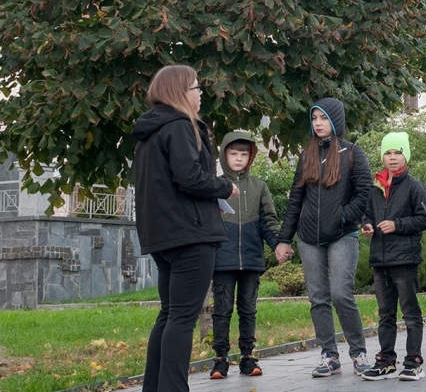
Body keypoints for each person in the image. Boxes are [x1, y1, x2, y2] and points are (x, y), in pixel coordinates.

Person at [132, 65, 238, 392]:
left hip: (163, 236)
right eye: (195, 88)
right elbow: (189, 177)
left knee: (169, 315)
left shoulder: (149, 131)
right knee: (181, 319)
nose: (200, 93)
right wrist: (223, 187)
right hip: (190, 236)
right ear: (180, 92)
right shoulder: (179, 126)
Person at [274, 98, 375, 377]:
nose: (318, 123)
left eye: (323, 118)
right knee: (318, 297)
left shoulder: (353, 152)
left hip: (342, 234)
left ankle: (359, 353)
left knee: (341, 294)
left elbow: (364, 191)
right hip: (308, 238)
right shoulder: (306, 156)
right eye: (314, 118)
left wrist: (344, 216)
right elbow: (295, 201)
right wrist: (284, 239)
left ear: (336, 121)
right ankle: (329, 355)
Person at [359, 133, 426, 381]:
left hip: (405, 260)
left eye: (397, 152)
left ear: (406, 156)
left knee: (410, 312)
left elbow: (425, 219)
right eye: (388, 153)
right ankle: (386, 360)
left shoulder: (415, 186)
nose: (392, 158)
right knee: (385, 313)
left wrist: (397, 224)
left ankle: (414, 361)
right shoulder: (375, 187)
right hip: (380, 261)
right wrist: (367, 226)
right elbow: (367, 214)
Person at [210, 131, 280, 379]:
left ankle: (248, 356)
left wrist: (277, 245)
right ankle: (220, 359)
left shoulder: (259, 187)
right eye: (233, 153)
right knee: (222, 310)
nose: (238, 159)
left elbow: (268, 223)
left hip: (251, 260)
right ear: (224, 154)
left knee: (248, 310)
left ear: (250, 157)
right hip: (221, 260)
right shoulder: (215, 184)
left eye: (243, 154)